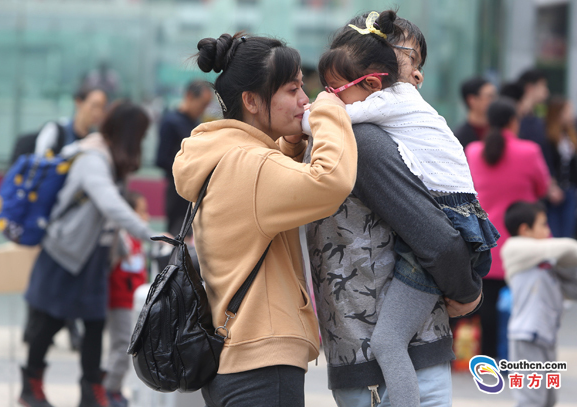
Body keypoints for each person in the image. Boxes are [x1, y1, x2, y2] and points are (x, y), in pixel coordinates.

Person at [300, 10, 497, 407]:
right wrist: (468, 290)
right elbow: (437, 241)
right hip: (395, 365)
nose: (416, 73)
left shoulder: (353, 131)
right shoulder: (364, 139)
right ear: (374, 57)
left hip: (367, 358)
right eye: (411, 57)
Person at [172, 32, 357, 407]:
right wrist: (331, 112)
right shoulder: (251, 165)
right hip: (263, 364)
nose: (304, 100)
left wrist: (289, 144)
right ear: (252, 101)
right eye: (292, 90)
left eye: (303, 89)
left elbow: (265, 192)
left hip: (236, 356)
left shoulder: (224, 155)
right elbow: (331, 180)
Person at [19, 102, 158, 407]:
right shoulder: (92, 157)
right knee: (47, 322)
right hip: (63, 251)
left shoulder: (112, 160)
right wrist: (154, 237)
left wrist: (122, 248)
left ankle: (91, 392)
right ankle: (31, 387)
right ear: (129, 133)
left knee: (94, 324)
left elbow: (106, 220)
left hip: (93, 257)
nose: (142, 143)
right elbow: (109, 204)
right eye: (141, 135)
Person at [465, 98, 550, 361]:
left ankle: (490, 360)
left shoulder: (474, 151)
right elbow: (543, 188)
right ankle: (520, 357)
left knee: (488, 303)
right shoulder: (529, 151)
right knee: (525, 303)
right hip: (522, 240)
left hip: (487, 240)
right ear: (514, 122)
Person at [501, 201, 577, 407]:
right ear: (524, 230)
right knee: (531, 400)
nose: (548, 230)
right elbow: (568, 247)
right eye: (543, 225)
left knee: (548, 400)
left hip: (546, 338)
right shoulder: (514, 249)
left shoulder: (547, 258)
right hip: (526, 337)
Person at [104, 191, 149, 407]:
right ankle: (109, 390)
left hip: (132, 302)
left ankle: (114, 388)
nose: (146, 216)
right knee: (122, 346)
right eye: (141, 212)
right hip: (120, 301)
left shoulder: (136, 239)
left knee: (125, 345)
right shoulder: (122, 237)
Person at [155, 80, 213, 235]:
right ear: (189, 96)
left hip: (195, 189)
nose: (203, 109)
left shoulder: (196, 122)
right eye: (202, 104)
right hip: (177, 190)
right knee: (177, 236)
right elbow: (161, 159)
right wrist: (187, 169)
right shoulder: (171, 121)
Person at [34, 87, 108, 156]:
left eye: (102, 108)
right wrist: (79, 147)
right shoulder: (55, 130)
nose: (98, 112)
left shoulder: (97, 139)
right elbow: (37, 162)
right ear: (79, 102)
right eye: (94, 106)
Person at [543, 96, 577, 238]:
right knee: (553, 229)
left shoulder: (570, 134)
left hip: (570, 188)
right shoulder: (547, 136)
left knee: (568, 230)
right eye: (567, 111)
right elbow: (546, 163)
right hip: (554, 190)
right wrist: (551, 186)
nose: (570, 114)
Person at [454, 76, 497, 149]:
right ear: (472, 100)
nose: (495, 100)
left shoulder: (500, 132)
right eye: (489, 96)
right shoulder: (458, 138)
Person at [517, 68, 550, 152]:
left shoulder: (534, 116)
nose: (546, 91)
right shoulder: (515, 116)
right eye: (543, 85)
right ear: (530, 88)